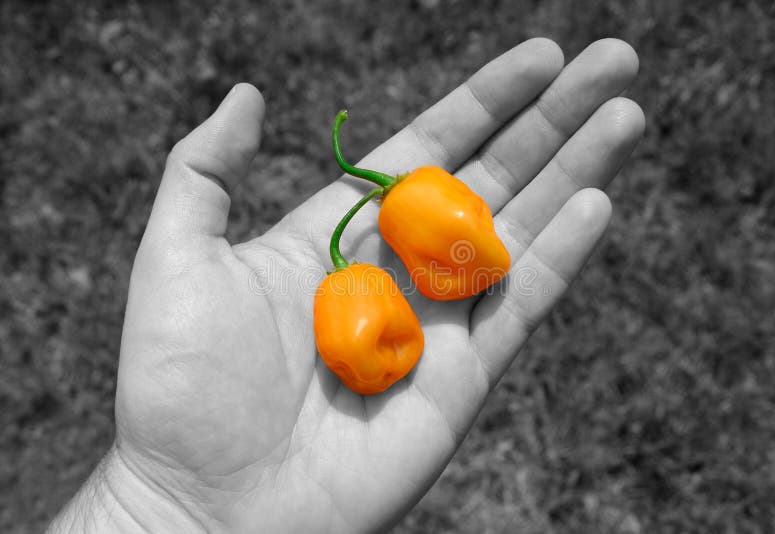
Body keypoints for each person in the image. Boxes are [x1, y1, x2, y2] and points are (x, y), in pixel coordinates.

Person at [47, 37, 644, 533]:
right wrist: (165, 496)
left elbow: (454, 257)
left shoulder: (377, 245)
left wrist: (156, 504)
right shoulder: (366, 262)